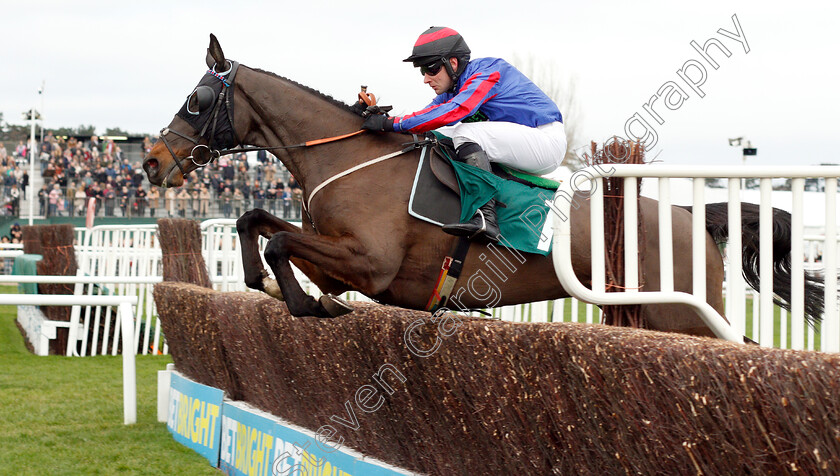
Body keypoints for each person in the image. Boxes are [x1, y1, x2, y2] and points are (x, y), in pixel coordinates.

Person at [362, 26, 566, 243]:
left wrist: (392, 124)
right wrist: (385, 121)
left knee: (465, 132)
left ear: (453, 63)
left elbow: (455, 111)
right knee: (436, 134)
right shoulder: (456, 85)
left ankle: (486, 217)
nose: (425, 79)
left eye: (430, 69)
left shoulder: (488, 71)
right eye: (422, 71)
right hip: (524, 141)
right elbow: (429, 116)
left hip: (546, 141)